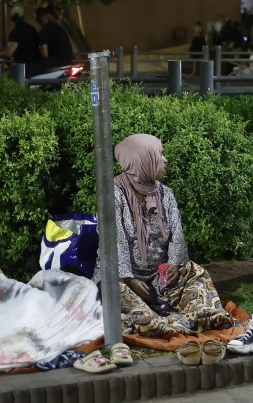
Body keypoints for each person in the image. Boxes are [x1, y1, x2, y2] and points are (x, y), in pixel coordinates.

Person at [101, 134, 239, 341]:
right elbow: (115, 242)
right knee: (112, 289)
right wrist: (129, 279)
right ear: (142, 160)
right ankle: (172, 321)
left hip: (161, 280)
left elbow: (176, 234)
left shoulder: (165, 193)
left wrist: (174, 263)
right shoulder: (113, 194)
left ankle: (181, 319)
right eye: (159, 155)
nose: (164, 160)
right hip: (125, 281)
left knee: (195, 272)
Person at [34, 6, 74, 72]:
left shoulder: (45, 31)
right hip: (68, 60)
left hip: (57, 63)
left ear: (37, 19)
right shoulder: (57, 27)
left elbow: (44, 54)